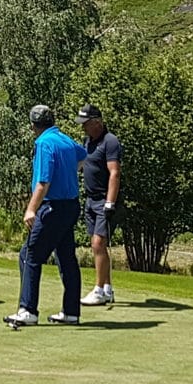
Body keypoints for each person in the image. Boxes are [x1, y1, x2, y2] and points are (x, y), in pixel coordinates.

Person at [6, 105, 82, 328]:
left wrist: (31, 209)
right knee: (66, 257)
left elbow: (43, 182)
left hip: (52, 208)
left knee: (29, 254)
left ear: (33, 126)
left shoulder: (44, 143)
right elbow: (83, 157)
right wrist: (67, 173)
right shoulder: (65, 140)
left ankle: (28, 310)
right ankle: (71, 312)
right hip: (71, 205)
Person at [77, 103, 122, 307]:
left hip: (104, 200)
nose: (83, 127)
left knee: (98, 243)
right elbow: (82, 165)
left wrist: (110, 202)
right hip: (90, 199)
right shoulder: (88, 141)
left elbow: (114, 173)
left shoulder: (110, 141)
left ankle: (98, 290)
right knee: (98, 245)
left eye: (85, 123)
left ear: (97, 122)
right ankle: (107, 289)